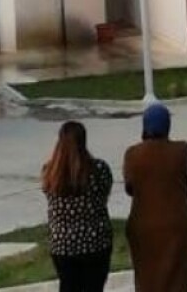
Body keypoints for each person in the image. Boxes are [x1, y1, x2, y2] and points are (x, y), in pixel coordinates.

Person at [124, 104, 187, 292]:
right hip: (177, 224)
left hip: (144, 226)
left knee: (147, 279)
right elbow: (184, 178)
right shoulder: (182, 150)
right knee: (178, 279)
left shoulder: (133, 154)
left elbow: (130, 188)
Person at [42, 121, 114, 292]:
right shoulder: (99, 169)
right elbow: (104, 195)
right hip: (95, 242)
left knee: (68, 286)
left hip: (62, 245)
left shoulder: (49, 171)